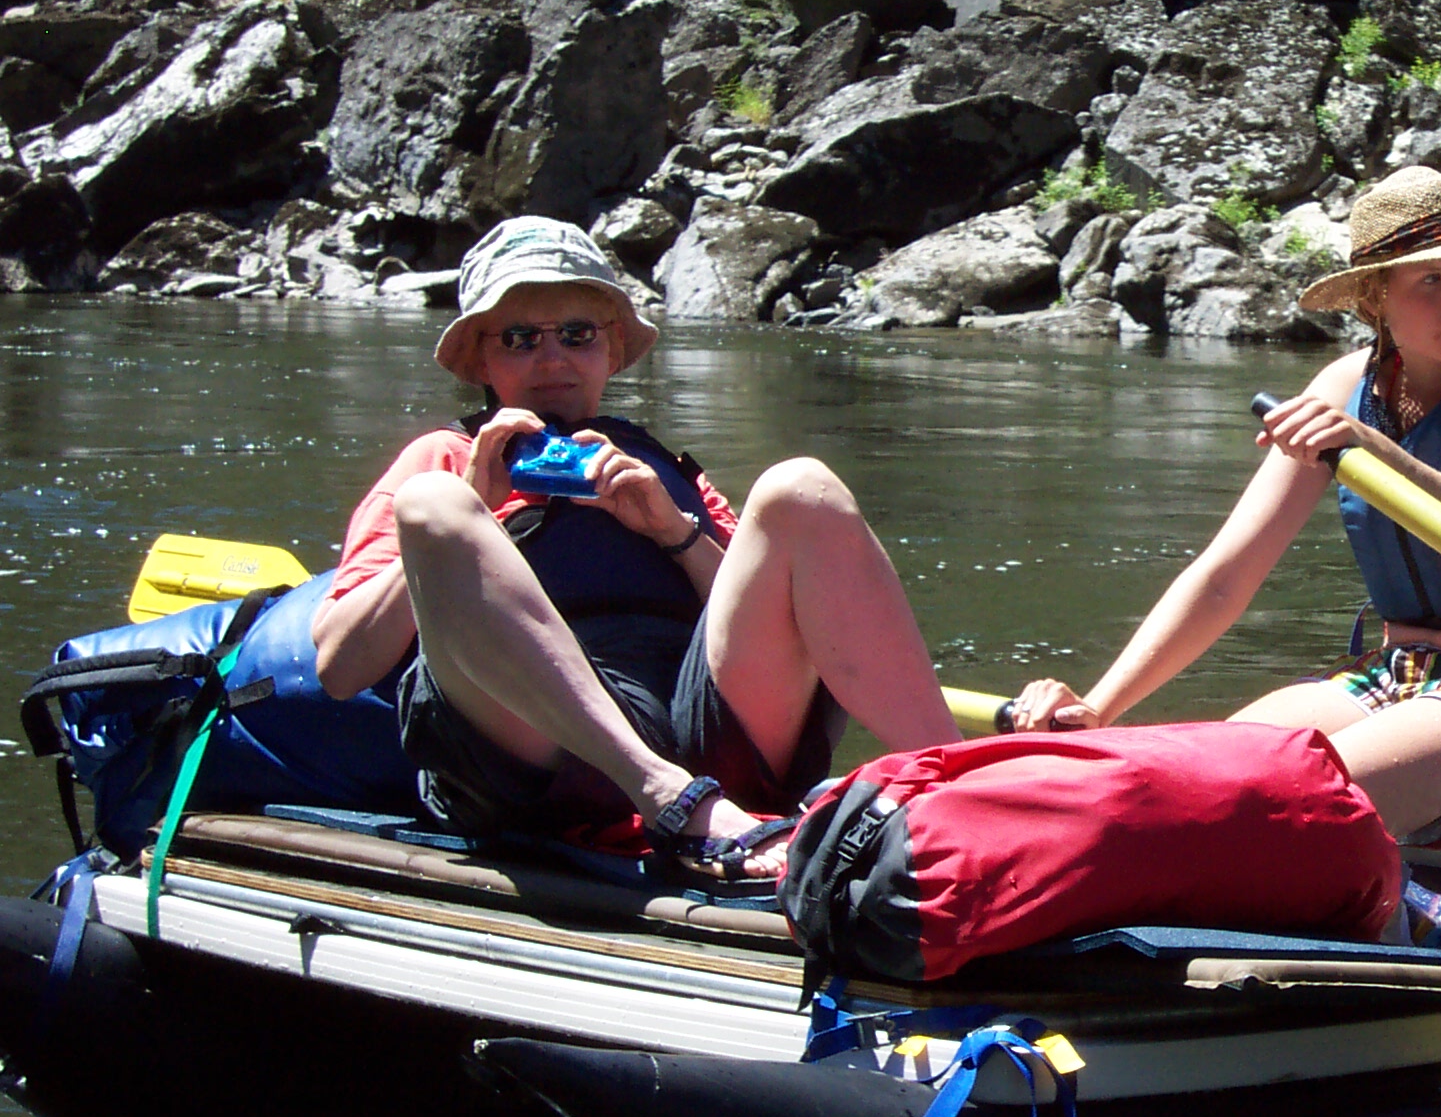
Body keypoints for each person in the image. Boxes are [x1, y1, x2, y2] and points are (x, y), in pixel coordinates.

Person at [312, 216, 958, 880]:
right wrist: (473, 504)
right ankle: (665, 797)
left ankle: (961, 786)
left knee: (803, 489)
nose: (553, 357)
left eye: (576, 333)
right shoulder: (441, 459)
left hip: (692, 727)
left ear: (611, 350)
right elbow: (340, 665)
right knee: (431, 504)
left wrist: (673, 531)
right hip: (533, 752)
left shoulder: (658, 468)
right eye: (520, 338)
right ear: (482, 359)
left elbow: (783, 618)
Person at [1009, 167, 1441, 839]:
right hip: (1397, 674)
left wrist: (1370, 447)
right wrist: (1099, 707)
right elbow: (1225, 576)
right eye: (1432, 280)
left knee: (1279, 812)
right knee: (1187, 788)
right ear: (1373, 298)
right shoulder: (1343, 386)